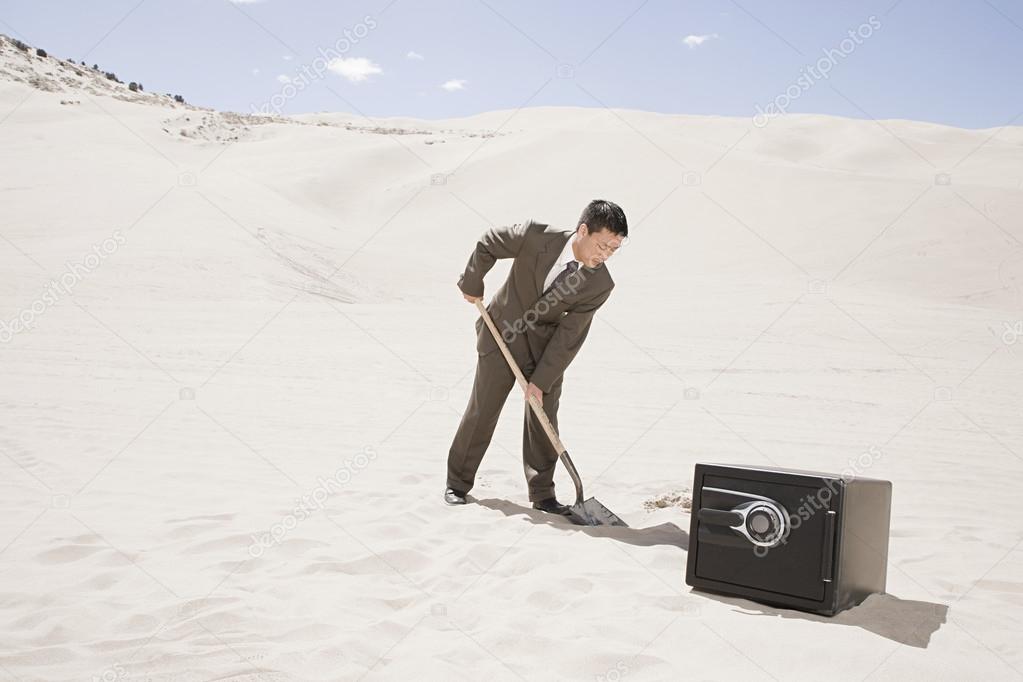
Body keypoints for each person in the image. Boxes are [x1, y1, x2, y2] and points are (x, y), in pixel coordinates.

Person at [445, 199, 628, 515]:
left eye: (613, 249)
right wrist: (473, 281)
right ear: (583, 230)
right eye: (602, 245)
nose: (606, 254)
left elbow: (569, 337)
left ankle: (543, 494)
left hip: (544, 347)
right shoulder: (536, 236)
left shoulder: (600, 284)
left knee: (544, 416)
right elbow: (489, 242)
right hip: (500, 332)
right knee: (483, 409)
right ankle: (457, 484)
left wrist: (540, 381)